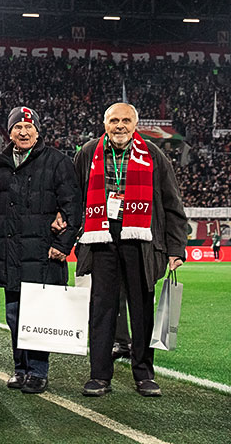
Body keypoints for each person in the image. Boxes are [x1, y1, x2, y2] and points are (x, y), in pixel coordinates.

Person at [75, 103, 188, 397]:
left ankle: (144, 374)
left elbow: (172, 203)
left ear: (135, 124)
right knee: (102, 310)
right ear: (105, 123)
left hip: (142, 240)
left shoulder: (152, 154)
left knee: (142, 311)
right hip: (102, 237)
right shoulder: (88, 151)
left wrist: (176, 248)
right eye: (114, 120)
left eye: (126, 120)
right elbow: (75, 197)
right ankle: (99, 376)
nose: (120, 126)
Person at [0, 106, 82, 394]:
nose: (24, 131)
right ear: (10, 131)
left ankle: (38, 371)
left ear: (38, 131)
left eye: (29, 127)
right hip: (11, 252)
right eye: (18, 127)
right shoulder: (0, 163)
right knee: (13, 315)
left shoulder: (57, 161)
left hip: (43, 252)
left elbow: (72, 207)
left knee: (40, 315)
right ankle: (20, 369)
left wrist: (62, 245)